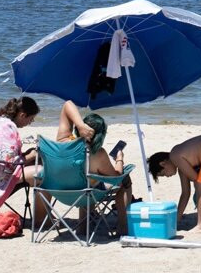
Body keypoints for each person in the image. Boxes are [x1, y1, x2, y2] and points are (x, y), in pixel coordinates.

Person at [41, 100, 132, 234]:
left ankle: (83, 226)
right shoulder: (97, 154)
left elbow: (67, 105)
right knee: (124, 181)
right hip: (84, 194)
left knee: (86, 178)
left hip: (58, 191)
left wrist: (79, 125)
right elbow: (116, 176)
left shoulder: (62, 140)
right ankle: (123, 226)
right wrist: (120, 159)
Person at [0, 97, 41, 210]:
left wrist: (26, 155)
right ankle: (41, 218)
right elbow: (10, 163)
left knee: (37, 161)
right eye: (31, 119)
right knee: (42, 173)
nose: (30, 123)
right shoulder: (6, 128)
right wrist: (31, 155)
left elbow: (4, 156)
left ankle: (42, 215)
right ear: (22, 115)